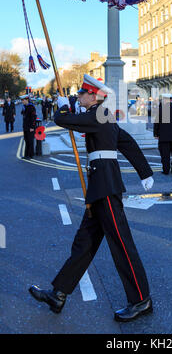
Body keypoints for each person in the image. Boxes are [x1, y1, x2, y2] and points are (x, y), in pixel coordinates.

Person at [29, 75, 154, 322]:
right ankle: (59, 293)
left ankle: (141, 299)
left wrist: (63, 107)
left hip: (105, 187)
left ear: (94, 95)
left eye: (81, 95)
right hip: (100, 188)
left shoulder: (99, 114)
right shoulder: (102, 115)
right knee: (84, 243)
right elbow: (126, 142)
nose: (78, 98)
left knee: (121, 244)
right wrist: (145, 172)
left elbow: (61, 119)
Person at [153, 94, 172, 175]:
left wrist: (156, 134)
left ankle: (166, 170)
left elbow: (156, 123)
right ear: (171, 100)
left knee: (165, 155)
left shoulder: (160, 110)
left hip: (164, 136)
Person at [20, 94, 36, 159]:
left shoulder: (31, 107)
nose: (22, 101)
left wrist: (32, 127)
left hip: (30, 127)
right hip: (25, 126)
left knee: (30, 141)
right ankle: (26, 155)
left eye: (23, 100)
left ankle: (30, 155)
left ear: (27, 100)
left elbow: (33, 117)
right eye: (22, 100)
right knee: (26, 141)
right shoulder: (24, 107)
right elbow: (23, 115)